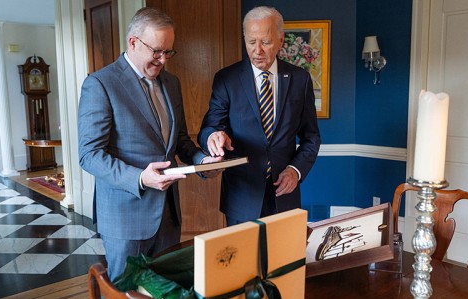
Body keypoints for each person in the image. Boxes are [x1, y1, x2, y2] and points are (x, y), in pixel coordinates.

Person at [78, 7, 221, 280]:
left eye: (168, 52)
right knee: (124, 293)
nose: (163, 60)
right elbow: (89, 155)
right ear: (133, 42)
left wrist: (202, 161)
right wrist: (140, 178)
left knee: (165, 291)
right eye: (157, 51)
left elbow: (178, 140)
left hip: (168, 215)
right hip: (125, 218)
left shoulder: (172, 83)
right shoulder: (100, 84)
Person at [198, 6, 321, 226]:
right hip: (241, 196)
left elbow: (311, 138)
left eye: (265, 42)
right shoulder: (227, 79)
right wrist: (212, 137)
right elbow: (208, 128)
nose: (257, 51)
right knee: (243, 261)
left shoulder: (300, 79)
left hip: (285, 195)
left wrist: (295, 171)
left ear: (281, 40)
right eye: (251, 42)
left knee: (284, 261)